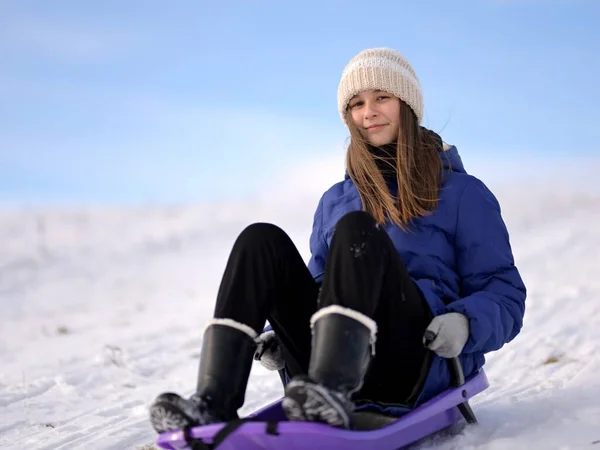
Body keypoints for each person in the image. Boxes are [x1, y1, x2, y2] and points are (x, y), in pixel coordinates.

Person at [148, 47, 527, 433]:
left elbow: (505, 293)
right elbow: (321, 285)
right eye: (357, 104)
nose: (369, 112)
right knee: (259, 239)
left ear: (407, 106)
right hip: (324, 370)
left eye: (382, 97)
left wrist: (466, 322)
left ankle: (331, 388)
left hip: (414, 359)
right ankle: (214, 401)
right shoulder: (335, 200)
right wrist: (284, 331)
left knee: (358, 231)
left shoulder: (462, 193)